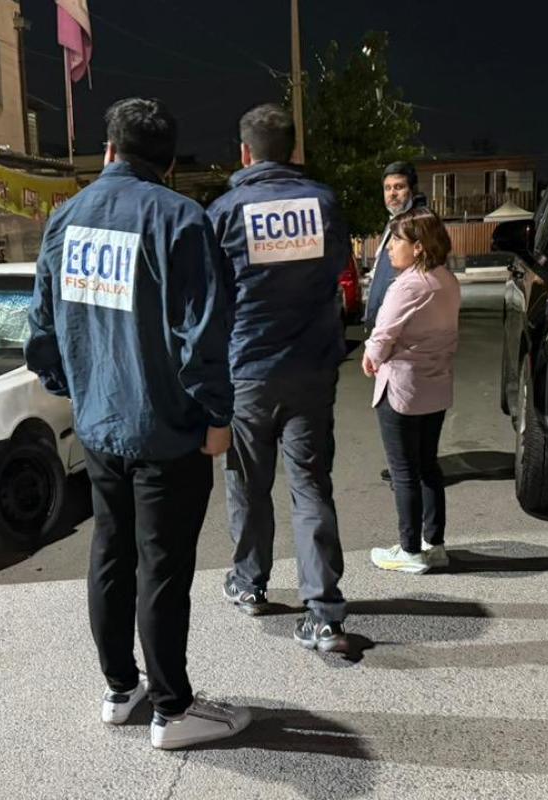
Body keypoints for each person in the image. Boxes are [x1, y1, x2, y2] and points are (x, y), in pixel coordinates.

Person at [26, 97, 251, 750]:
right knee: (162, 566)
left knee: (110, 552)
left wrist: (76, 388)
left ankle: (120, 688)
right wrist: (217, 415)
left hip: (99, 425)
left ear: (108, 150)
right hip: (166, 430)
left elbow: (41, 328)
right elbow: (203, 333)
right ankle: (172, 710)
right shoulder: (179, 219)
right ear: (170, 163)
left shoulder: (66, 218)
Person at [206, 103, 350, 652]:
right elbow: (336, 271)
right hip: (311, 368)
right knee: (310, 486)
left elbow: (212, 296)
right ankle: (324, 613)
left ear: (245, 152)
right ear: (293, 149)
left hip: (249, 369)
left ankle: (249, 583)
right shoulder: (324, 204)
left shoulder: (225, 211)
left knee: (248, 484)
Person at [363, 208, 461, 574]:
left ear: (418, 246)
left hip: (402, 387)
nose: (389, 248)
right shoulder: (446, 280)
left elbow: (384, 332)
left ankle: (409, 551)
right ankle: (434, 543)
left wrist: (371, 357)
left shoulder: (408, 285)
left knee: (403, 471)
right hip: (435, 385)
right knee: (427, 466)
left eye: (396, 241)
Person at [363, 161, 425, 330]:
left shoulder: (419, 225)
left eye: (399, 187)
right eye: (387, 188)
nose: (392, 193)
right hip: (386, 327)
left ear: (412, 190)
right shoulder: (393, 223)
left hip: (401, 329)